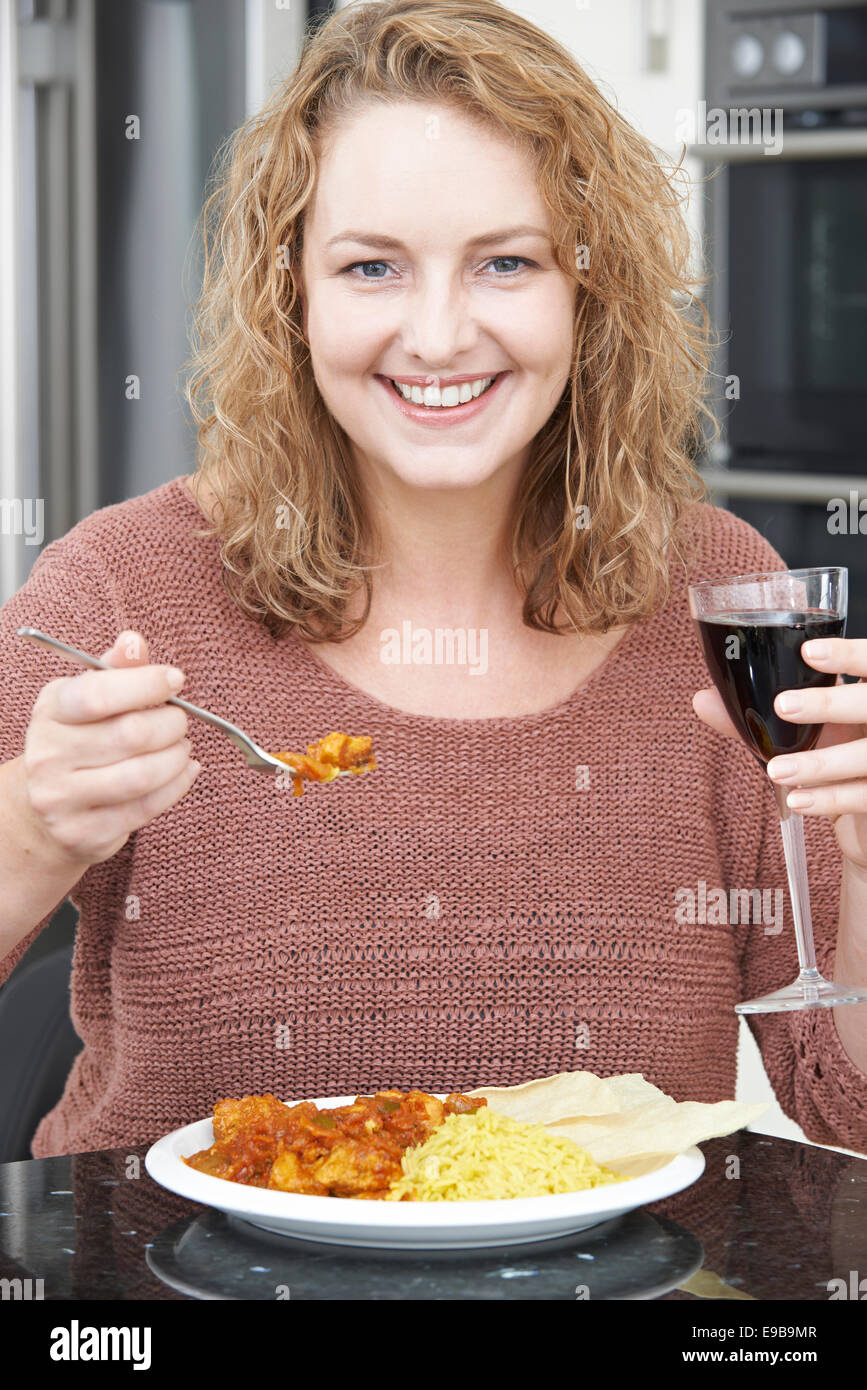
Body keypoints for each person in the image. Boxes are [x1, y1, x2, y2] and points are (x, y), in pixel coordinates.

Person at [1, 0, 865, 1160]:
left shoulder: (719, 590)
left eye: (506, 261)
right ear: (289, 293)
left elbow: (838, 1101)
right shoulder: (116, 588)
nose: (442, 332)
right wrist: (28, 833)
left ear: (588, 293)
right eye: (373, 268)